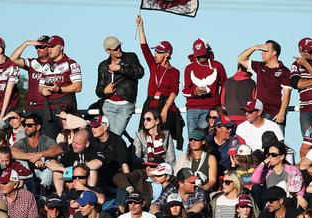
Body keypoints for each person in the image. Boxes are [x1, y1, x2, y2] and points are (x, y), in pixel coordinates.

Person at [135, 16, 182, 146]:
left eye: (159, 52)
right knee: (144, 133)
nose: (155, 54)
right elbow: (144, 47)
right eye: (155, 51)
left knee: (164, 134)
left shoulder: (174, 71)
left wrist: (166, 108)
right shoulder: (153, 65)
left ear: (166, 54)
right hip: (150, 102)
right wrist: (141, 27)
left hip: (165, 102)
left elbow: (174, 91)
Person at [96, 35, 145, 136]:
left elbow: (140, 73)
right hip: (108, 105)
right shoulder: (103, 66)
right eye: (115, 49)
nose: (119, 50)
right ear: (107, 51)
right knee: (109, 136)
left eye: (119, 46)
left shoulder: (131, 57)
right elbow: (98, 90)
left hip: (126, 105)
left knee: (115, 135)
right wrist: (105, 91)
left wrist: (120, 68)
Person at [237, 40, 292, 130]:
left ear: (274, 53)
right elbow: (241, 59)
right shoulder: (259, 66)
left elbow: (287, 94)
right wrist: (255, 47)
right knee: (258, 143)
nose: (262, 53)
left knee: (276, 143)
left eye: (266, 51)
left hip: (275, 114)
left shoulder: (285, 71)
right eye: (262, 51)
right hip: (260, 114)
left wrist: (282, 113)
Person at [182, 38, 227, 135]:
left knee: (204, 137)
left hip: (210, 108)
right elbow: (185, 90)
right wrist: (194, 92)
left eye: (203, 53)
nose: (201, 56)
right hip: (192, 108)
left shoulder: (218, 66)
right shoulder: (189, 68)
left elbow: (225, 86)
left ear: (208, 50)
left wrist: (221, 106)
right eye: (198, 54)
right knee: (192, 138)